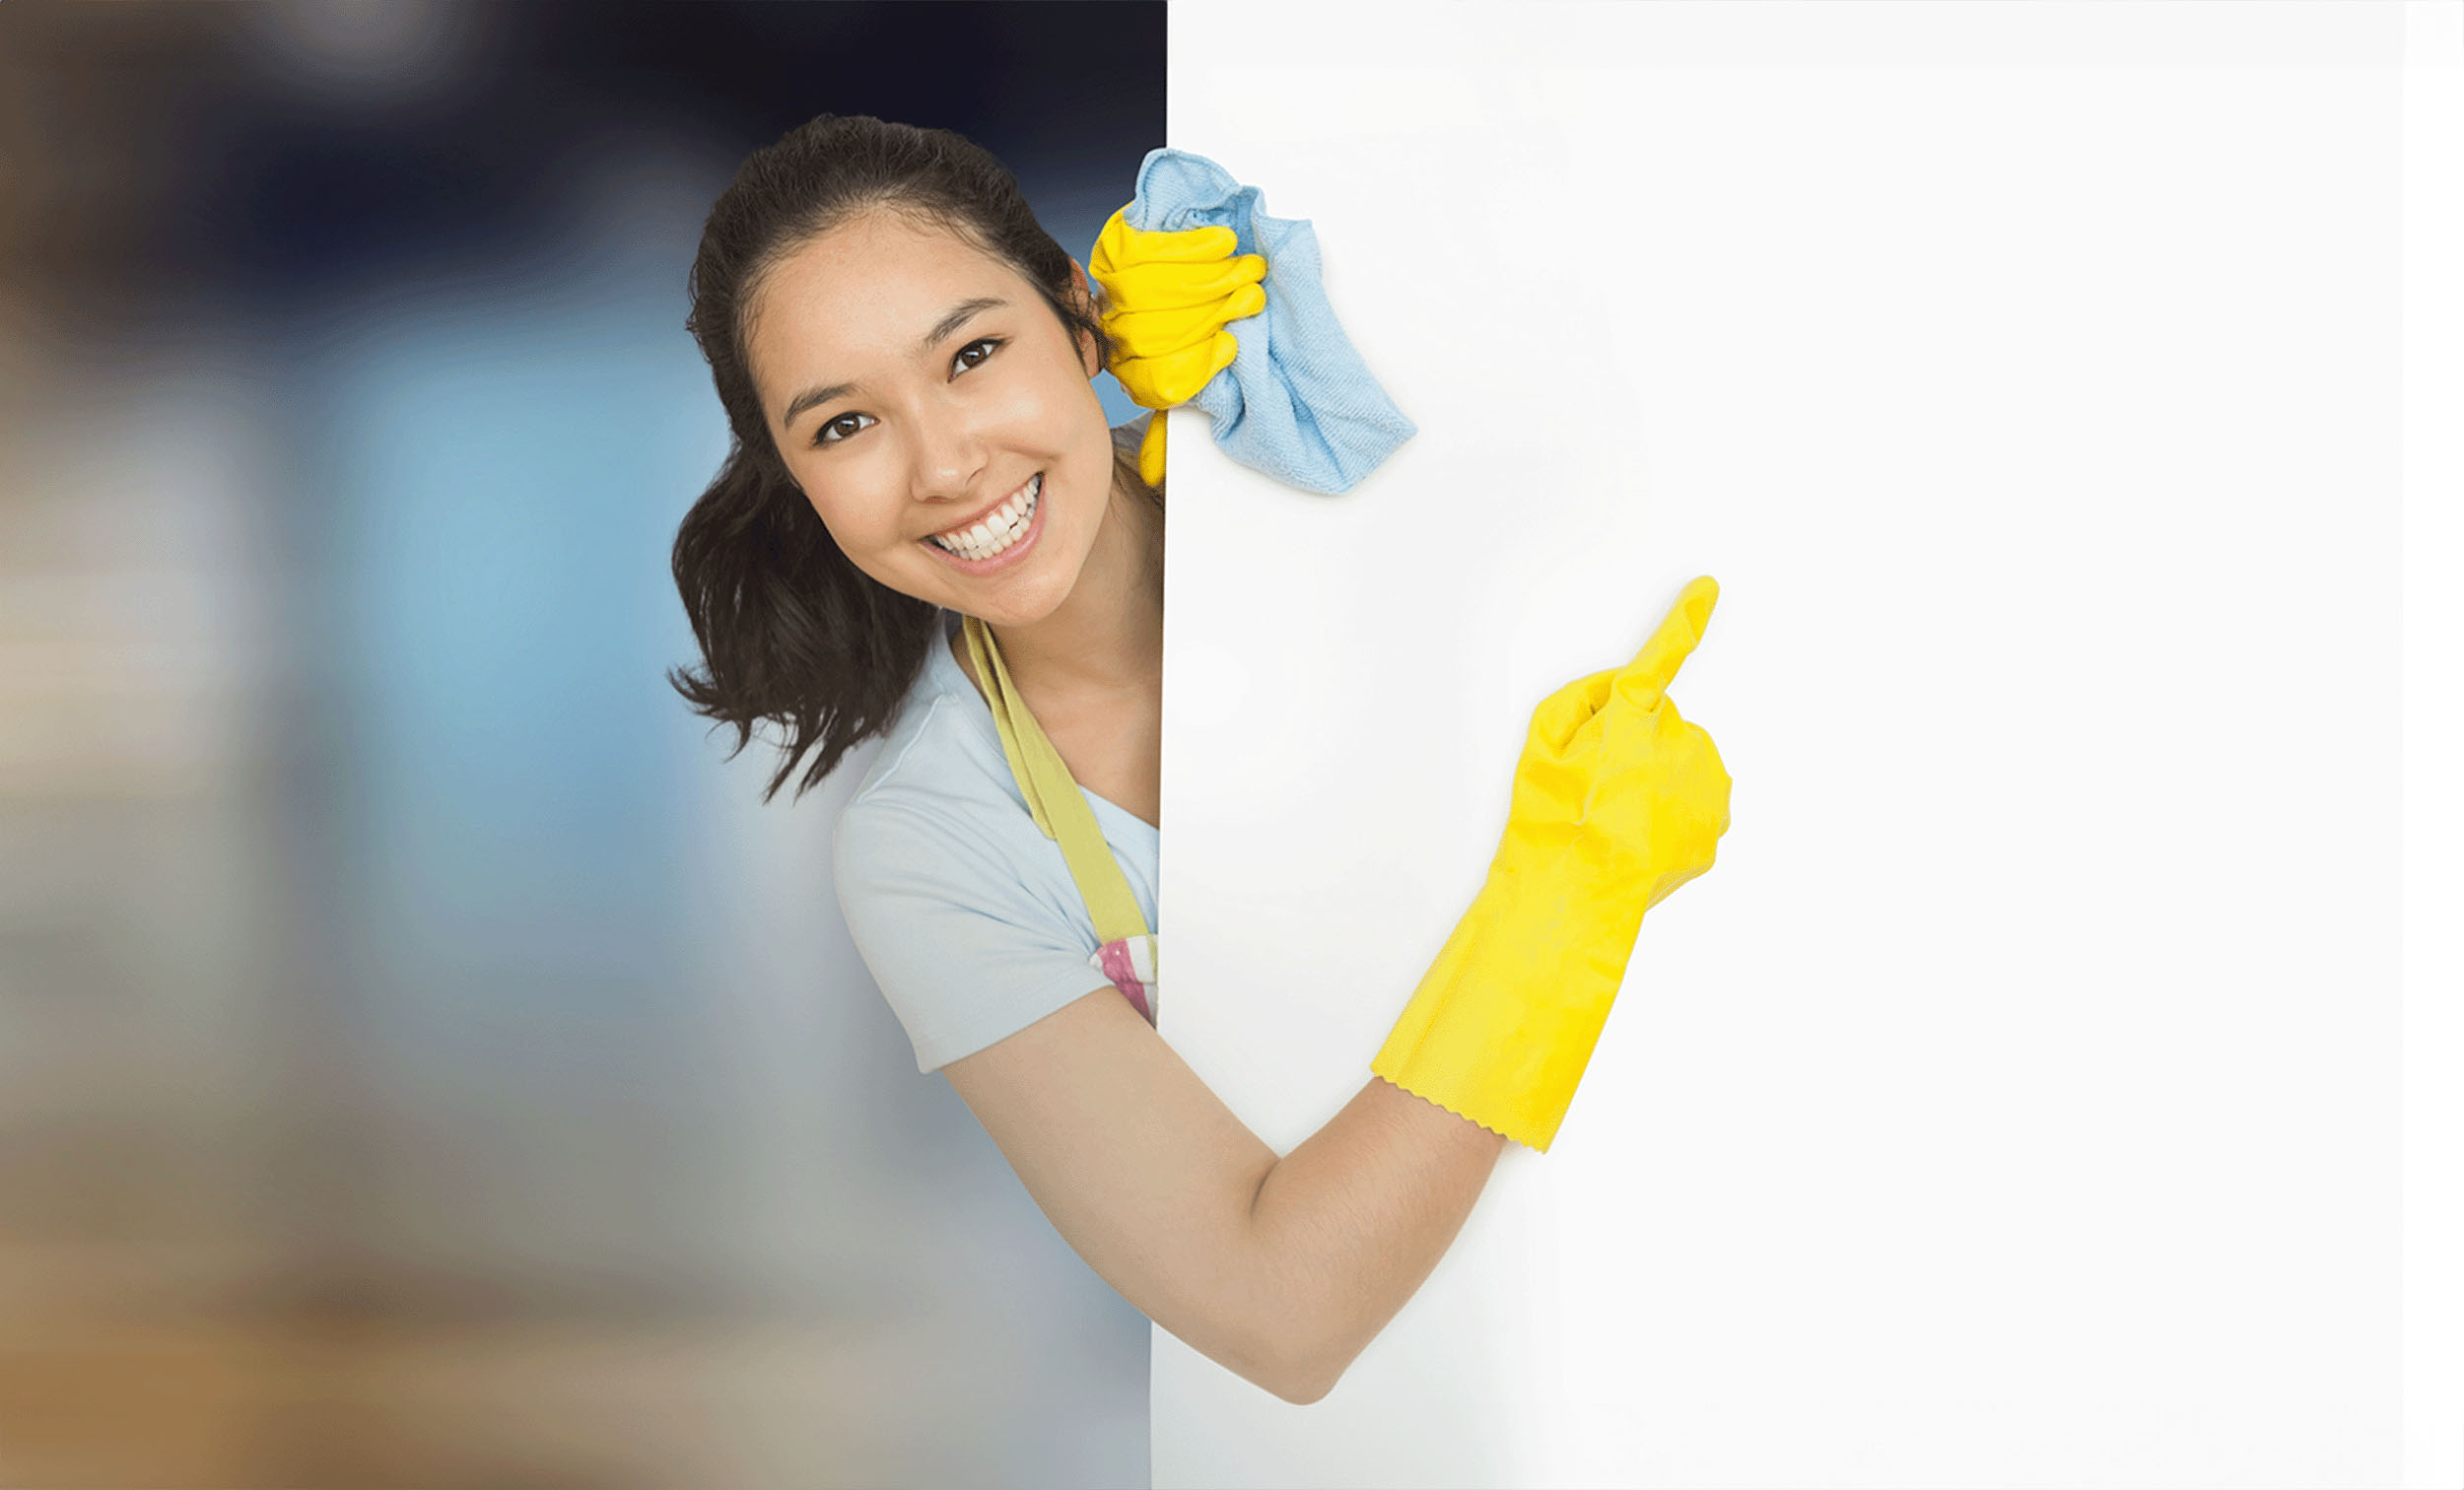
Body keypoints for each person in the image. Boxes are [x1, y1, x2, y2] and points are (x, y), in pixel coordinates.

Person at [667, 114, 1731, 1408]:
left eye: (975, 353)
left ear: (1080, 314)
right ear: (796, 481)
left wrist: (1291, 341)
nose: (945, 464)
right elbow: (1280, 1317)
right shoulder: (933, 848)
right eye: (844, 426)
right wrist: (1570, 900)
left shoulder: (1288, 461)